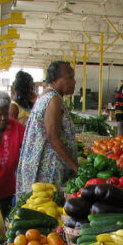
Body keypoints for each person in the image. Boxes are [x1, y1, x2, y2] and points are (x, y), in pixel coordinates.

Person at [16, 61, 79, 196]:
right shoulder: (53, 99)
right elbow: (53, 137)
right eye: (70, 77)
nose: (74, 82)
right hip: (48, 168)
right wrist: (75, 167)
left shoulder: (44, 96)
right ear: (56, 79)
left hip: (39, 165)